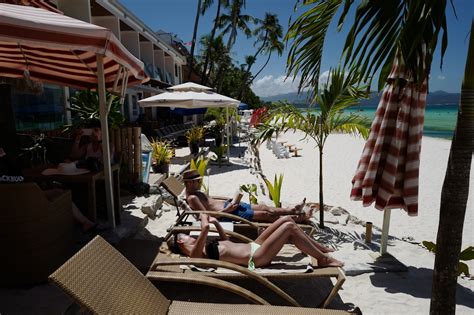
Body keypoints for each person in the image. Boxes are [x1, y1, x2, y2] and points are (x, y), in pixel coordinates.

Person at [167, 214, 343, 269]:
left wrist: (217, 224)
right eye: (186, 235)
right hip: (255, 258)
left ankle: (321, 249)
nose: (191, 235)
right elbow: (204, 228)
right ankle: (323, 259)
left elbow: (226, 243)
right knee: (289, 228)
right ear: (182, 243)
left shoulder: (201, 247)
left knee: (287, 220)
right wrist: (204, 218)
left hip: (252, 246)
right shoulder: (195, 255)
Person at [0, 146, 103, 234]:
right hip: (20, 200)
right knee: (60, 194)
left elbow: (18, 174)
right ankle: (83, 223)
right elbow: (19, 178)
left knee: (60, 192)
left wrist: (4, 157)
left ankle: (84, 222)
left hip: (25, 195)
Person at [183, 169, 313, 223]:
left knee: (264, 207)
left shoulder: (196, 192)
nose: (200, 182)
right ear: (189, 183)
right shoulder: (192, 198)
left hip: (230, 205)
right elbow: (206, 217)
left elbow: (211, 200)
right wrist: (227, 210)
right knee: (266, 215)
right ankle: (298, 219)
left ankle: (292, 210)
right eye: (197, 181)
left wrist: (228, 199)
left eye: (199, 180)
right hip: (228, 214)